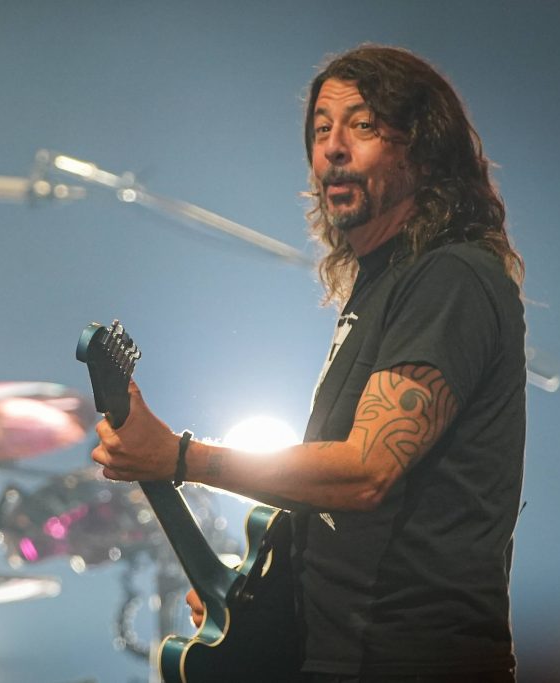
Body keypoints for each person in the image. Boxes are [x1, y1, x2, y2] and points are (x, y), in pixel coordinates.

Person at [92, 45, 526, 681]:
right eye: (321, 130)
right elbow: (342, 517)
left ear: (424, 151)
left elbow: (366, 472)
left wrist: (181, 458)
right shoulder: (379, 288)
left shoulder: (451, 277)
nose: (333, 149)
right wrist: (259, 599)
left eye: (363, 125)